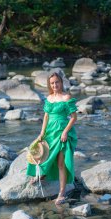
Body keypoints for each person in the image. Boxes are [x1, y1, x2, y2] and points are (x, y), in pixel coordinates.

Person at [26, 72, 78, 205]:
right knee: (43, 155)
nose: (55, 85)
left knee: (61, 163)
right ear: (50, 85)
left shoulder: (67, 97)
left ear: (61, 82)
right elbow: (46, 116)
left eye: (57, 82)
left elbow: (73, 117)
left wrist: (65, 132)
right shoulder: (49, 98)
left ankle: (62, 193)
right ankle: (41, 175)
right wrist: (41, 133)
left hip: (61, 132)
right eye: (52, 83)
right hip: (50, 132)